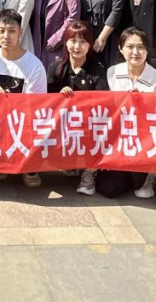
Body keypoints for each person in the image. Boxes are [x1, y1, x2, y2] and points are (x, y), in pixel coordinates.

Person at [96, 27, 156, 200]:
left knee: (139, 183)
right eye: (130, 47)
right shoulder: (112, 72)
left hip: (144, 140)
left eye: (141, 47)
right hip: (119, 140)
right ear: (121, 49)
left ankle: (146, 176)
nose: (135, 52)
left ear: (147, 50)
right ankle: (125, 174)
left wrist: (144, 103)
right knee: (108, 189)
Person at [0, 10, 48, 188]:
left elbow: (37, 105)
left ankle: (30, 166)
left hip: (24, 119)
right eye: (2, 31)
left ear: (20, 32)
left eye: (12, 31)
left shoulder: (34, 65)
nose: (6, 36)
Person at [45, 21, 106, 196]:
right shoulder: (56, 68)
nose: (77, 46)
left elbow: (103, 102)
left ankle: (89, 173)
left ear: (90, 45)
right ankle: (69, 163)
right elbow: (45, 102)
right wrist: (59, 97)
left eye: (83, 41)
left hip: (88, 124)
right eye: (73, 40)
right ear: (65, 42)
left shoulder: (97, 70)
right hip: (62, 122)